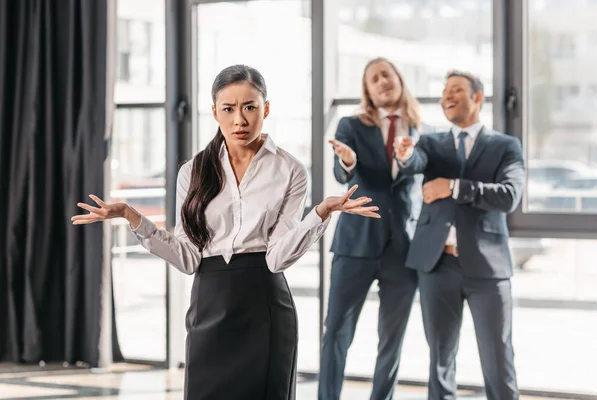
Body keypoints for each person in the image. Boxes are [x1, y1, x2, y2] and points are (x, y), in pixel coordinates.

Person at [71, 65, 380, 400]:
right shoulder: (193, 171)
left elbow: (277, 258)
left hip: (265, 305)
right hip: (209, 304)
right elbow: (187, 258)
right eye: (229, 109)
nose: (240, 120)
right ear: (214, 110)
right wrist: (133, 217)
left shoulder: (289, 169)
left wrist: (320, 213)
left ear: (266, 108)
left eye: (249, 107)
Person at [394, 70, 524, 400]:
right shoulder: (432, 143)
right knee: (440, 358)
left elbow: (508, 196)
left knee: (498, 358)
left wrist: (453, 187)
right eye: (444, 91)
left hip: (487, 268)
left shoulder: (506, 146)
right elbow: (414, 162)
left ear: (477, 98)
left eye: (456, 90)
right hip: (437, 265)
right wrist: (406, 154)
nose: (446, 96)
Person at [318, 57, 421, 400]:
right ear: (368, 90)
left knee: (392, 341)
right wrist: (347, 161)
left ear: (398, 79)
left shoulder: (420, 131)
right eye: (373, 79)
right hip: (355, 246)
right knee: (336, 333)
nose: (381, 82)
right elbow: (342, 171)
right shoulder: (351, 126)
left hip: (403, 250)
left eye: (386, 75)